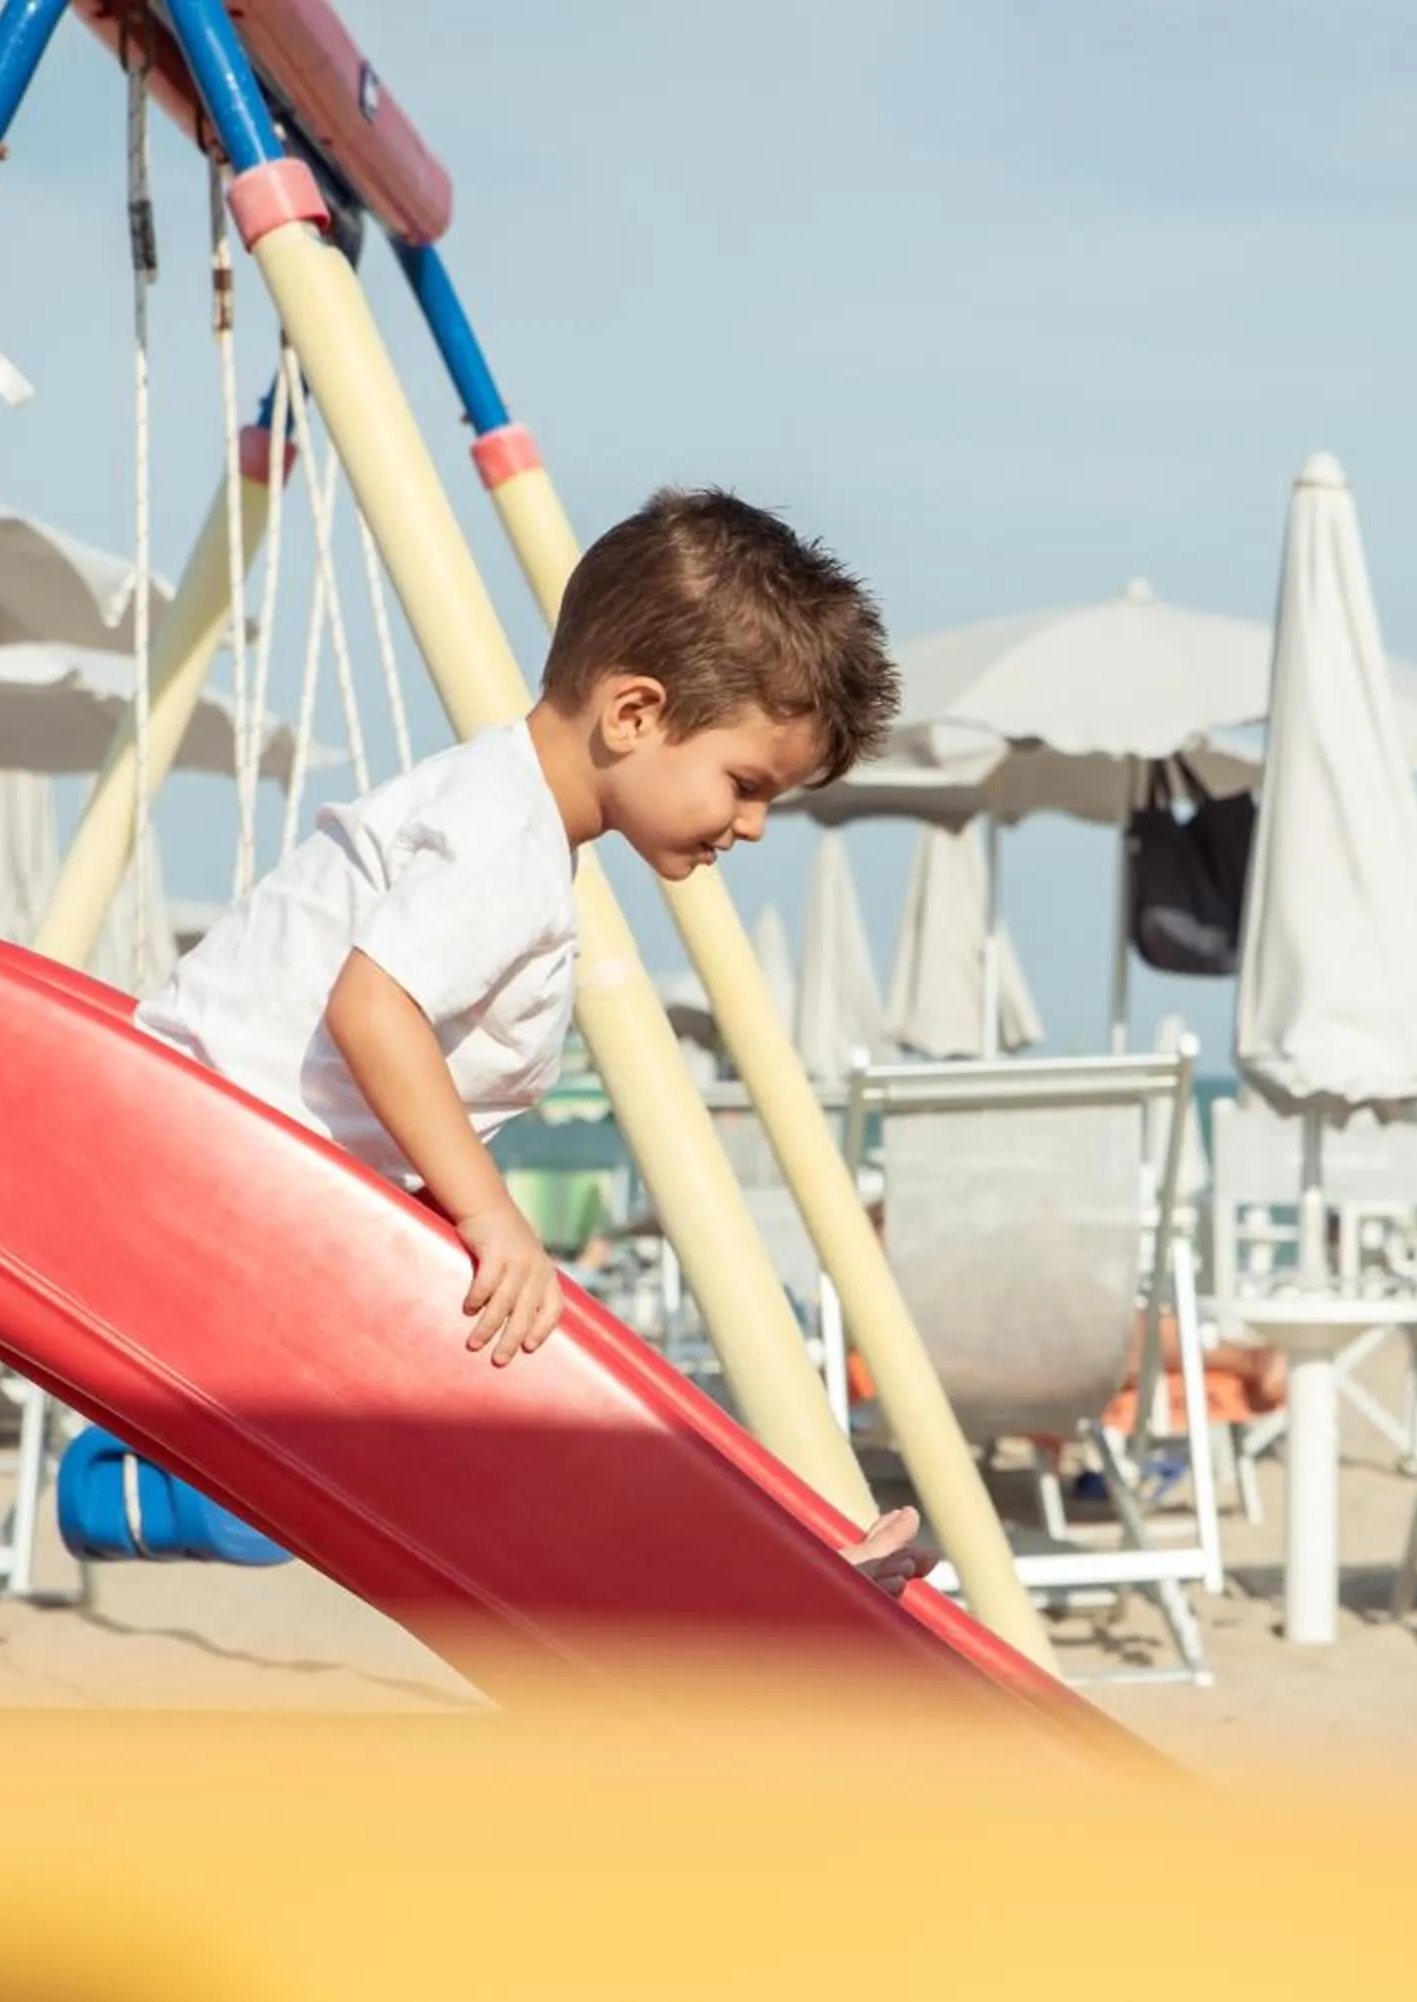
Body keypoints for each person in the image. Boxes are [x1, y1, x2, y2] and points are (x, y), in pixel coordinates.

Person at [139, 488, 926, 1593]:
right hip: (206, 1175)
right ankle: (752, 1573)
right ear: (635, 713)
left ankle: (771, 1550)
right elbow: (374, 1008)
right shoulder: (504, 836)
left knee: (567, 1370)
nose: (751, 826)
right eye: (746, 786)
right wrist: (486, 1212)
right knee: (538, 1388)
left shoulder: (505, 813)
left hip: (242, 1170)